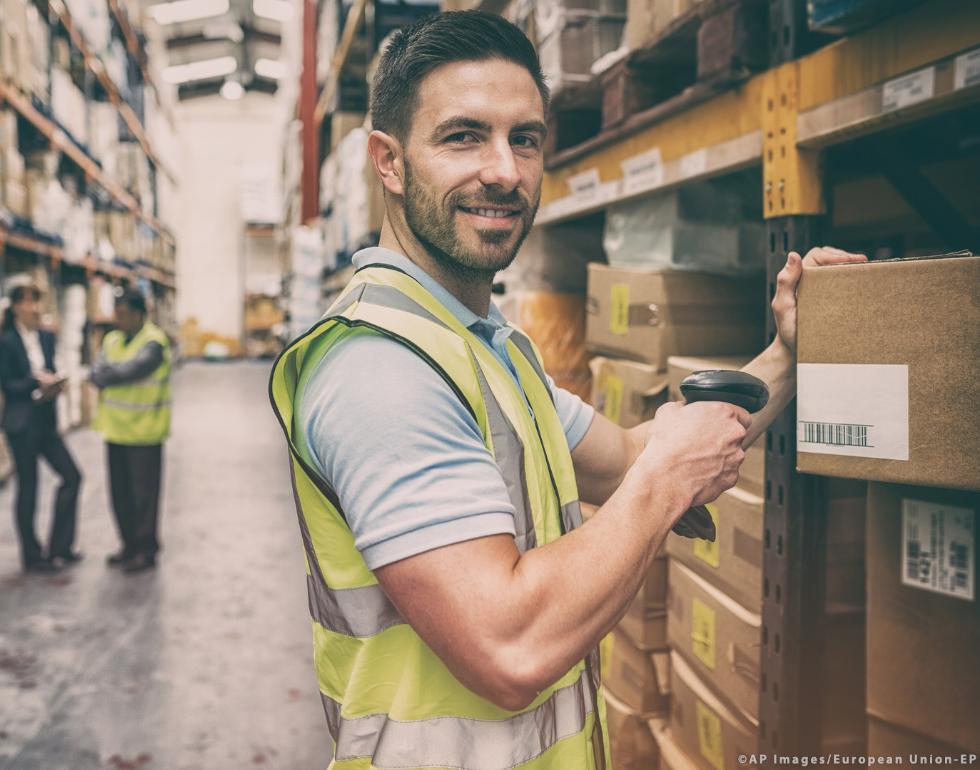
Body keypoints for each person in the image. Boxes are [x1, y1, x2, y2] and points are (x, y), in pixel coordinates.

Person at [268, 11, 867, 770]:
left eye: (525, 138)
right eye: (463, 137)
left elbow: (632, 457)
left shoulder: (487, 351)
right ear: (388, 161)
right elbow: (508, 649)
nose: (505, 171)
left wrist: (787, 354)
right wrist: (663, 484)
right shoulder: (380, 370)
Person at [0, 284, 83, 573]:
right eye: (28, 302)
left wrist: (55, 383)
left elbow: (49, 367)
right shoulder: (6, 342)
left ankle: (60, 547)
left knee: (72, 476)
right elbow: (8, 385)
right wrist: (36, 382)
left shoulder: (46, 337)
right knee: (28, 488)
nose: (34, 308)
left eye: (36, 302)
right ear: (15, 307)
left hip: (45, 420)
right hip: (21, 424)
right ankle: (32, 556)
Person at [91, 287, 172, 573]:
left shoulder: (154, 343)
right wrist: (106, 374)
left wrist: (108, 374)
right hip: (115, 431)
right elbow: (96, 372)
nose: (119, 320)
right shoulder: (111, 339)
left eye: (124, 315)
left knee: (144, 497)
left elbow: (131, 371)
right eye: (117, 314)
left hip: (145, 434)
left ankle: (146, 550)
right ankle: (128, 546)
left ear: (140, 315)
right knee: (120, 494)